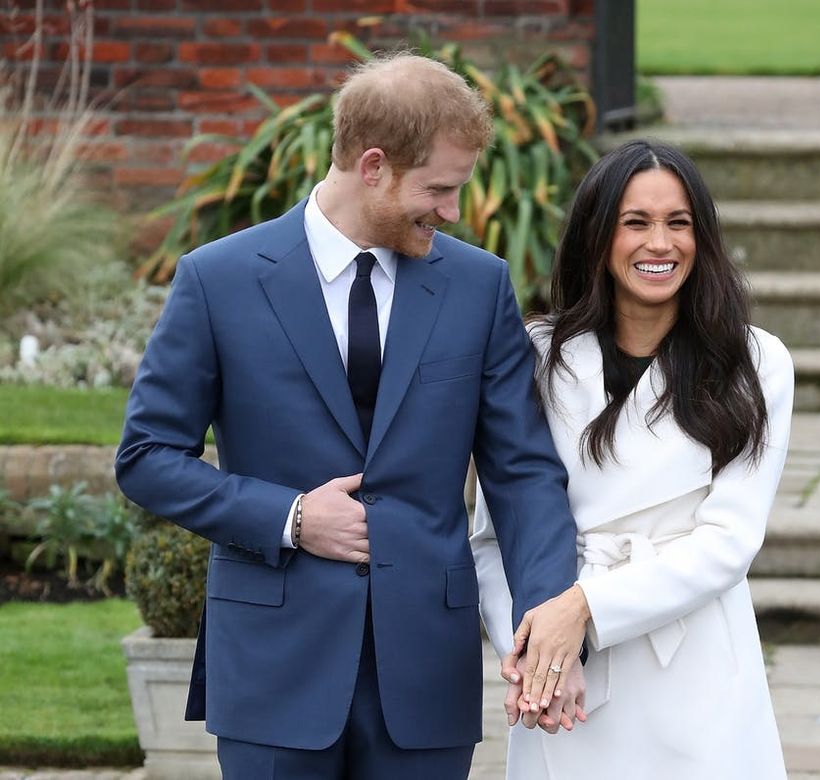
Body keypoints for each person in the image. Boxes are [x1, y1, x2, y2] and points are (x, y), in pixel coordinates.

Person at [115, 53, 586, 780]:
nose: (452, 212)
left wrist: (550, 631)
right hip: (274, 667)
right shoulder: (219, 280)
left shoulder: (478, 287)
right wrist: (292, 517)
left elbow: (522, 473)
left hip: (426, 668)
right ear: (373, 166)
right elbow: (146, 455)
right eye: (438, 189)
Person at [472, 139, 793, 779]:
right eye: (635, 223)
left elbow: (729, 541)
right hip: (565, 678)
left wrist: (586, 609)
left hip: (694, 661)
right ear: (597, 235)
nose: (661, 244)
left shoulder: (754, 363)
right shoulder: (536, 356)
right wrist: (536, 654)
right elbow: (492, 534)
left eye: (679, 223)